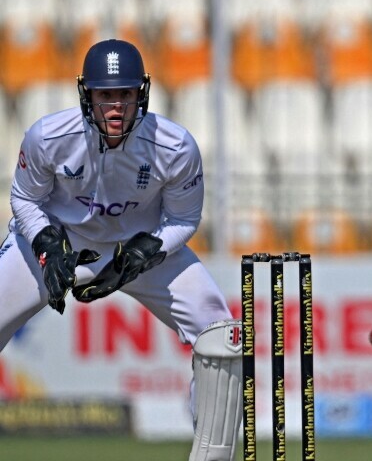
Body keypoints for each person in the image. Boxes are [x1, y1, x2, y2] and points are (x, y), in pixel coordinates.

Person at [0, 39, 242, 461]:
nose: (116, 107)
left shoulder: (176, 147)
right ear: (86, 95)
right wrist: (43, 244)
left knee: (221, 335)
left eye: (125, 95)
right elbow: (24, 200)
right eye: (105, 95)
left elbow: (184, 220)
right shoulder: (48, 136)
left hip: (141, 245)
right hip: (59, 239)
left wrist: (142, 255)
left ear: (141, 94)